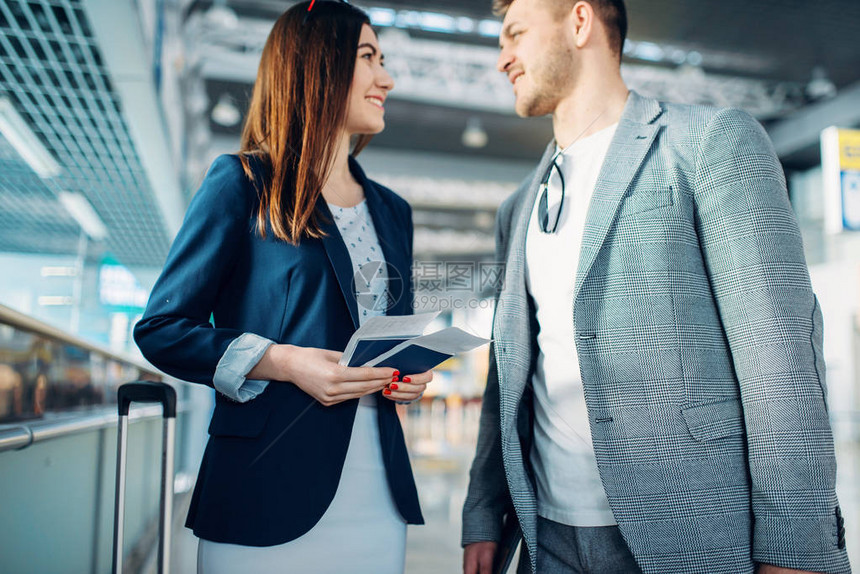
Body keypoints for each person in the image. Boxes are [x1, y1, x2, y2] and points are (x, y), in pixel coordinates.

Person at [461, 1, 850, 573]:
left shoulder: (709, 146)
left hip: (687, 538)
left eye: (514, 34)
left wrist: (796, 552)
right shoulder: (519, 207)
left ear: (579, 21)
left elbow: (780, 364)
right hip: (546, 541)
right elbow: (510, 376)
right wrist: (482, 512)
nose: (502, 59)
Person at [133, 3, 432, 573]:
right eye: (368, 57)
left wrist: (408, 372)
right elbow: (162, 329)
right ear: (316, 66)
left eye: (383, 60)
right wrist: (283, 361)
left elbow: (390, 333)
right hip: (262, 487)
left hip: (378, 491)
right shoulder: (243, 183)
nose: (386, 78)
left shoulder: (394, 212)